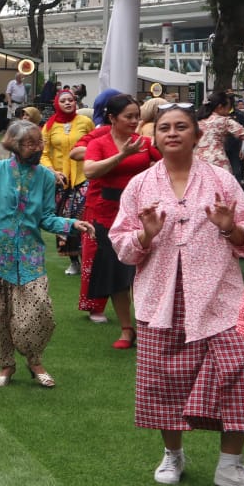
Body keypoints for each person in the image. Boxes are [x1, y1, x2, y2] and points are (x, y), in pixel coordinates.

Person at [110, 103, 244, 486]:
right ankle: (172, 454)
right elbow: (122, 245)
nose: (173, 133)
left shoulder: (222, 181)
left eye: (182, 127)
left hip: (219, 296)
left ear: (198, 135)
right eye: (165, 127)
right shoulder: (140, 185)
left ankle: (231, 465)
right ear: (155, 136)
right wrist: (145, 235)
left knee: (240, 370)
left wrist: (231, 230)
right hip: (160, 298)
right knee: (164, 381)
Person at [0, 120, 92, 388]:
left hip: (30, 258)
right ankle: (6, 365)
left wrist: (71, 224)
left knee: (39, 311)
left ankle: (33, 359)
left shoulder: (46, 177)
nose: (38, 147)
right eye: (30, 143)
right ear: (14, 146)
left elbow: (47, 218)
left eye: (40, 142)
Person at [82, 93, 160, 345]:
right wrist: (122, 155)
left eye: (137, 116)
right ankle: (127, 328)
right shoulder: (100, 142)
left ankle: (150, 326)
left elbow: (170, 163)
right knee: (117, 272)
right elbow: (90, 170)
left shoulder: (145, 142)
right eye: (129, 116)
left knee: (145, 270)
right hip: (109, 213)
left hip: (143, 212)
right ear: (112, 118)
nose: (135, 121)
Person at [42, 89, 94, 277]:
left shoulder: (85, 122)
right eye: (63, 100)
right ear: (57, 104)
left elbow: (95, 144)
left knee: (84, 216)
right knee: (64, 219)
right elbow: (44, 153)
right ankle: (74, 261)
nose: (67, 103)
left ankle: (88, 257)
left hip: (83, 177)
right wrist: (52, 171)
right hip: (60, 180)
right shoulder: (49, 126)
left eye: (70, 100)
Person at [197, 90, 244, 170]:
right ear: (220, 106)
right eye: (229, 107)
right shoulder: (223, 121)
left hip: (197, 163)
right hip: (217, 162)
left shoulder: (197, 121)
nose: (229, 111)